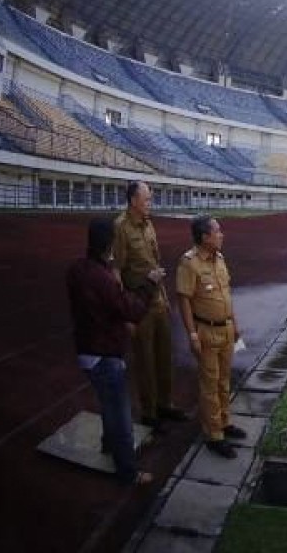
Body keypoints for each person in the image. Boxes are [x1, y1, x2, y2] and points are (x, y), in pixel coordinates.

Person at [67, 217, 156, 485]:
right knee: (121, 415)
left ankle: (108, 444)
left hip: (86, 349)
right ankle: (128, 472)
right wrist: (149, 285)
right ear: (110, 243)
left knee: (108, 403)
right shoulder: (103, 278)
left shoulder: (76, 270)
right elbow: (131, 310)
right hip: (104, 353)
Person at [112, 181, 188, 428]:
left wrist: (164, 298)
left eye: (150, 200)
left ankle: (166, 404)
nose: (150, 204)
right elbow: (116, 272)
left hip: (157, 301)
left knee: (165, 356)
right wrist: (126, 315)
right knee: (145, 360)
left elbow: (156, 264)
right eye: (147, 200)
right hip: (138, 305)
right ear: (133, 201)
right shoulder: (120, 228)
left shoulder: (149, 225)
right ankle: (149, 412)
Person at [176, 214, 246, 459]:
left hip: (226, 329)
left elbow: (226, 295)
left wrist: (235, 324)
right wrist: (192, 334)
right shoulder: (189, 263)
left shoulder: (220, 259)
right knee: (209, 385)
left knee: (224, 381)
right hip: (206, 331)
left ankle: (225, 423)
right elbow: (184, 300)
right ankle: (214, 435)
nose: (221, 234)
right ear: (205, 237)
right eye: (217, 231)